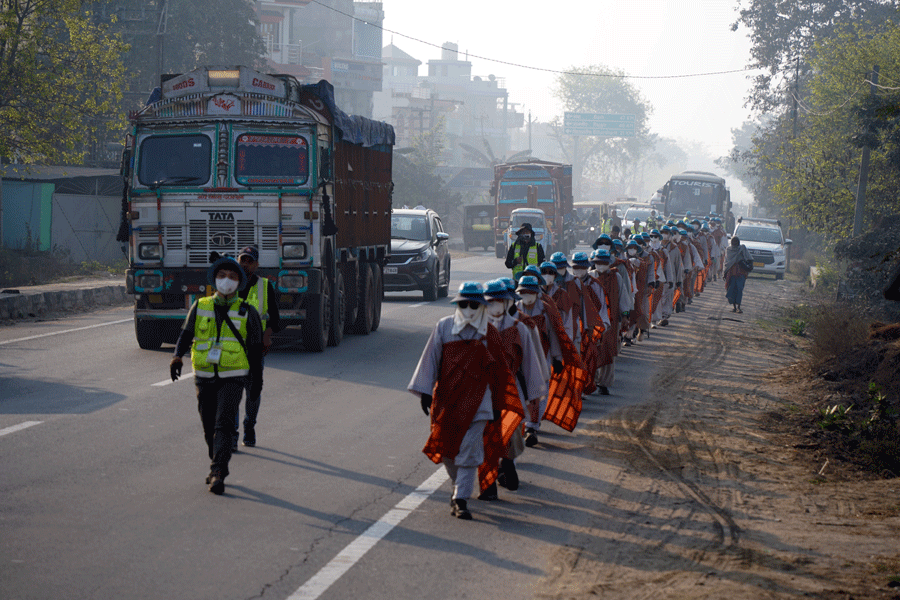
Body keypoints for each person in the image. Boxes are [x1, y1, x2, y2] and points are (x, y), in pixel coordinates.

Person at [408, 282, 521, 520]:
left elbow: (499, 372)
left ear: (481, 306)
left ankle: (461, 499)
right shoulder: (444, 327)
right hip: (448, 401)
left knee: (469, 451)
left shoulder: (489, 333)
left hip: (480, 403)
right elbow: (431, 359)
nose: (468, 309)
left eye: (473, 305)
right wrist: (425, 392)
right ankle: (458, 487)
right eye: (464, 304)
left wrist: (498, 405)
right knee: (449, 452)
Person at [169, 256, 263, 495]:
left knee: (224, 423)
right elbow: (185, 334)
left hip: (234, 375)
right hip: (204, 374)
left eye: (232, 277)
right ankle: (216, 461)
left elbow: (255, 351)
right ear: (214, 280)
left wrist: (256, 382)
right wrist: (177, 357)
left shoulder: (247, 311)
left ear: (239, 283)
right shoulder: (200, 306)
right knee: (208, 424)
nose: (226, 281)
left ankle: (218, 471)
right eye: (222, 276)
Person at [233, 245, 281, 448]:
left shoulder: (265, 286)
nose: (245, 264)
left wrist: (267, 336)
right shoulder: (229, 284)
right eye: (242, 260)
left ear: (256, 265)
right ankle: (232, 435)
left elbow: (275, 319)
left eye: (249, 261)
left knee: (252, 391)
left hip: (255, 346)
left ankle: (249, 426)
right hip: (232, 346)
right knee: (232, 392)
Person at [723, 236, 753, 313]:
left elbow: (749, 258)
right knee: (731, 289)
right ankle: (734, 307)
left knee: (739, 289)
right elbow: (726, 262)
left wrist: (748, 266)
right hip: (731, 272)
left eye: (736, 241)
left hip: (741, 272)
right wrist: (725, 273)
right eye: (733, 241)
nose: (735, 243)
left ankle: (738, 307)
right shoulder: (728, 250)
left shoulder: (742, 248)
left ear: (738, 242)